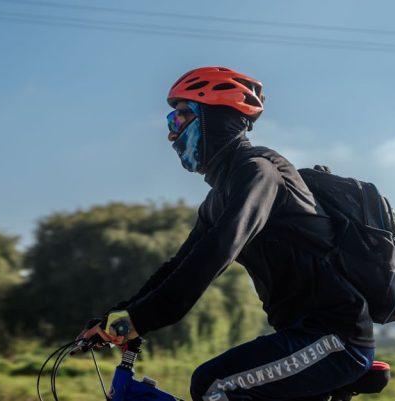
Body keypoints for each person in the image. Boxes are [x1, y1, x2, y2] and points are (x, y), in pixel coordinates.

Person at [79, 66, 375, 401]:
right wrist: (118, 315)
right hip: (301, 334)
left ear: (212, 119)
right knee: (210, 381)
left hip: (336, 337)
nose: (171, 135)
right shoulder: (218, 197)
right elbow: (179, 266)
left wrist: (139, 320)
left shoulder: (260, 173)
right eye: (170, 123)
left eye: (178, 121)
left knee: (212, 383)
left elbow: (216, 253)